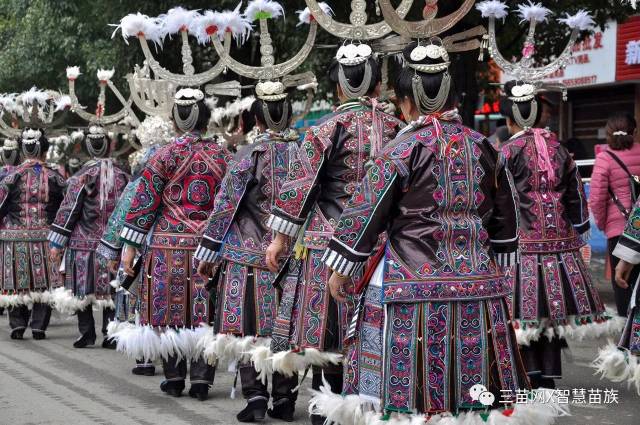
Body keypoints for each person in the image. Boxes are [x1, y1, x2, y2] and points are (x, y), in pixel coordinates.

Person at [311, 40, 542, 423]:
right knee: (473, 379)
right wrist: (499, 261)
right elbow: (506, 217)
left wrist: (342, 266)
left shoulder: (401, 150)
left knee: (405, 385)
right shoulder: (484, 146)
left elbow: (367, 212)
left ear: (406, 99)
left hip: (409, 280)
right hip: (478, 281)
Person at [263, 42, 404, 425]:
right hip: (382, 249)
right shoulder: (399, 130)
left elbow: (300, 189)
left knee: (326, 340)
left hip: (327, 247)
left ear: (338, 88)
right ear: (376, 86)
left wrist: (279, 239)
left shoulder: (324, 131)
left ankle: (326, 415)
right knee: (374, 337)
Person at [113, 87, 231, 401]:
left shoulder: (164, 155)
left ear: (176, 122)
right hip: (207, 246)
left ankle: (175, 377)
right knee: (204, 312)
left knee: (169, 314)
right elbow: (231, 202)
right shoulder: (222, 156)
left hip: (166, 248)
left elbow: (143, 202)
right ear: (205, 119)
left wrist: (129, 247)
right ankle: (202, 381)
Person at [500, 80, 617, 389]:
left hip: (519, 250)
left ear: (510, 119)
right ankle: (547, 380)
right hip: (558, 250)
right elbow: (576, 196)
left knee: (522, 317)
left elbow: (496, 200)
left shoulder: (506, 152)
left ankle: (526, 380)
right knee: (551, 317)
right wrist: (579, 231)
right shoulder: (559, 149)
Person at [195, 84, 300, 422]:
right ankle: (284, 398)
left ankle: (255, 394)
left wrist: (207, 253)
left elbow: (226, 207)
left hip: (246, 256)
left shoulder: (248, 155)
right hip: (293, 257)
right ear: (288, 113)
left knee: (247, 329)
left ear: (256, 118)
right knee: (286, 329)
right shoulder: (306, 153)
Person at [48, 125, 130, 348]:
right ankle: (110, 332)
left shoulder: (81, 177)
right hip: (113, 243)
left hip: (83, 241)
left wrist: (57, 243)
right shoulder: (123, 175)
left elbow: (69, 211)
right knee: (112, 289)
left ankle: (86, 333)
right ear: (108, 145)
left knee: (82, 290)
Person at [0, 129, 66, 339]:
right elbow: (65, 209)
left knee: (16, 283)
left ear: (22, 150)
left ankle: (18, 324)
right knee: (44, 282)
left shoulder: (10, 178)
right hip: (46, 238)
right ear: (45, 150)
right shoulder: (56, 177)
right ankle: (39, 326)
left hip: (14, 238)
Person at [589, 113, 640, 317]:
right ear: (634, 132)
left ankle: (628, 335)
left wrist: (604, 225)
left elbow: (597, 198)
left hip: (618, 231)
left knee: (622, 283)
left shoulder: (604, 159)